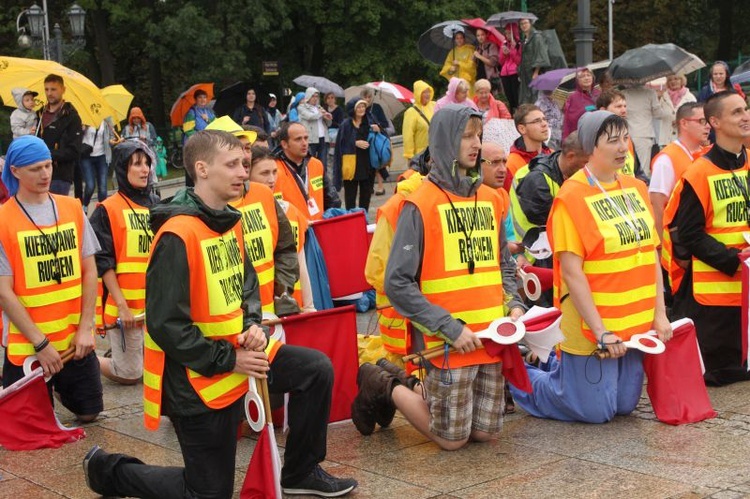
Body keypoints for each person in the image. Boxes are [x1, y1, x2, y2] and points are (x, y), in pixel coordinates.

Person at [82, 130, 357, 498]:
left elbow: (246, 288)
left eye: (244, 164)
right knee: (207, 493)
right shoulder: (177, 236)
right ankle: (110, 472)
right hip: (197, 381)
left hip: (236, 358)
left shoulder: (230, 219)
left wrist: (253, 325)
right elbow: (166, 326)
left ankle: (301, 471)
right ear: (202, 169)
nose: (243, 172)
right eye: (233, 165)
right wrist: (232, 359)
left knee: (315, 370)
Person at [352, 104, 525, 449]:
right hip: (446, 340)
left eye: (478, 135)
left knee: (485, 433)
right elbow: (396, 283)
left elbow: (504, 264)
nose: (475, 144)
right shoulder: (419, 204)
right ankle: (386, 384)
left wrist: (515, 304)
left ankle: (416, 389)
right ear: (446, 141)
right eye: (466, 136)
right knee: (451, 440)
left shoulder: (492, 199)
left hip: (490, 337)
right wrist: (449, 327)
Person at [509, 111, 672, 423]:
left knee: (623, 405)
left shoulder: (636, 188)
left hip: (633, 321)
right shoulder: (571, 196)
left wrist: (660, 314)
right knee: (595, 411)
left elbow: (651, 254)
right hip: (591, 325)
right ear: (590, 147)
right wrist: (601, 332)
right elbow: (572, 272)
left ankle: (552, 365)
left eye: (625, 138)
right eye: (613, 141)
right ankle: (515, 373)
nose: (623, 147)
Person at [0, 135, 102, 422]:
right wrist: (41, 344)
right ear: (15, 171)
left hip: (73, 340)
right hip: (28, 346)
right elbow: (4, 292)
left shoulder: (72, 208)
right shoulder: (3, 220)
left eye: (48, 165)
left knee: (90, 413)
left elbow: (90, 271)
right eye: (35, 169)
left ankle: (60, 388)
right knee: (30, 426)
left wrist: (86, 329)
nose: (45, 174)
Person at [668, 91, 750, 386]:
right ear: (715, 122)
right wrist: (733, 259)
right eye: (736, 112)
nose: (746, 116)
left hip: (746, 289)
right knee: (719, 375)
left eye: (746, 109)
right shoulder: (699, 172)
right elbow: (689, 234)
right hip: (714, 296)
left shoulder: (748, 161)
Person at [89, 141, 159, 385]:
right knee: (130, 375)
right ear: (122, 168)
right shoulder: (106, 210)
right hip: (126, 308)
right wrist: (122, 306)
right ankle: (88, 361)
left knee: (160, 367)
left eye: (147, 163)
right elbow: (103, 263)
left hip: (156, 306)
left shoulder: (157, 205)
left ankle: (126, 352)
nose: (145, 170)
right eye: (137, 164)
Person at [248, 145, 316, 313]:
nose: (271, 179)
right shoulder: (240, 214)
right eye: (264, 173)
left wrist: (309, 306)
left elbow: (301, 263)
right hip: (262, 311)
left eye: (274, 172)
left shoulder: (290, 211)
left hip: (294, 306)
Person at [510, 132, 588, 270]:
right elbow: (558, 223)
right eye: (586, 163)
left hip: (553, 247)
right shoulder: (537, 180)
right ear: (570, 157)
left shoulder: (563, 167)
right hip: (536, 253)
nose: (589, 169)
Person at [650, 102, 710, 246]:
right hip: (680, 242)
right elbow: (657, 204)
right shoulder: (667, 159)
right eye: (702, 121)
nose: (708, 126)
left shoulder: (706, 153)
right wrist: (660, 246)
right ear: (684, 123)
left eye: (708, 121)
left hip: (702, 238)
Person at [274, 122, 341, 221]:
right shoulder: (273, 169)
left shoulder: (316, 164)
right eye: (298, 139)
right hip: (293, 232)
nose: (304, 143)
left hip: (318, 228)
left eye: (306, 138)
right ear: (284, 144)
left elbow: (331, 199)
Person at [36, 74, 83, 196]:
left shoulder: (72, 117)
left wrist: (48, 154)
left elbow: (74, 151)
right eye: (46, 89)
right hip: (37, 172)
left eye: (53, 89)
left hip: (60, 175)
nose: (49, 93)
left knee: (56, 213)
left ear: (63, 90)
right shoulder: (39, 114)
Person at [333, 99, 376, 211]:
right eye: (359, 107)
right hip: (350, 165)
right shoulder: (346, 124)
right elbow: (340, 145)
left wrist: (378, 130)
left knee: (366, 195)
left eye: (363, 107)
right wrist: (355, 143)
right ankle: (351, 220)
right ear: (353, 109)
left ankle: (364, 219)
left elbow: (381, 138)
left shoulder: (370, 121)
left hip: (367, 164)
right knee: (350, 196)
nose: (362, 109)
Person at [621, 84, 668, 175]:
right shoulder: (650, 93)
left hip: (627, 135)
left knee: (628, 166)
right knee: (643, 169)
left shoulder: (622, 94)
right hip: (644, 134)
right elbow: (658, 114)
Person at [505, 104, 552, 191]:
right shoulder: (511, 164)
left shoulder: (552, 154)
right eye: (537, 121)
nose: (544, 124)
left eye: (544, 119)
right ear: (522, 129)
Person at [596, 89, 641, 178]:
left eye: (625, 106)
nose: (624, 110)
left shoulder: (628, 138)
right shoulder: (595, 139)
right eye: (618, 106)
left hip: (628, 189)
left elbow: (638, 170)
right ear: (603, 110)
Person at [655, 74, 697, 147]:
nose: (673, 81)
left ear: (682, 81)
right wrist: (657, 99)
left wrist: (680, 120)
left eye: (676, 79)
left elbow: (695, 116)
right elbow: (657, 115)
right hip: (666, 139)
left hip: (684, 139)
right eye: (670, 80)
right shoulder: (663, 96)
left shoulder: (690, 97)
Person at [80, 121, 113, 211]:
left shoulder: (107, 120)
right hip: (87, 156)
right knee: (90, 186)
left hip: (102, 156)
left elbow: (111, 136)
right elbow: (77, 135)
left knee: (103, 187)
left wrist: (111, 140)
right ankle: (85, 205)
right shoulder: (85, 118)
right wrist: (82, 129)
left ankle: (102, 210)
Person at [298, 87, 333, 169]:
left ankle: (324, 180)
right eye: (313, 96)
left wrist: (328, 117)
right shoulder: (302, 107)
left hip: (323, 138)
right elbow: (310, 117)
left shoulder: (319, 107)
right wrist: (321, 113)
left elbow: (329, 124)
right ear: (308, 96)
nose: (315, 98)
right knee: (310, 162)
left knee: (323, 163)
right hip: (311, 139)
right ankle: (310, 180)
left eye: (317, 96)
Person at [518, 18, 549, 105]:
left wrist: (536, 72)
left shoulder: (537, 37)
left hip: (534, 72)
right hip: (526, 72)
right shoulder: (525, 39)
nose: (524, 25)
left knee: (535, 95)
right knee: (527, 95)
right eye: (521, 24)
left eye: (525, 23)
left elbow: (540, 54)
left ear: (530, 23)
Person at [562, 68, 599, 140]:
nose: (586, 78)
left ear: (593, 77)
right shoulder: (573, 97)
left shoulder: (598, 94)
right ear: (577, 80)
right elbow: (569, 120)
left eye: (588, 75)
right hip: (581, 135)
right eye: (582, 76)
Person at [402, 80, 435, 162]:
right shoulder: (411, 112)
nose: (427, 94)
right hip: (421, 156)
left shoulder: (435, 105)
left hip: (436, 152)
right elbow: (408, 136)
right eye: (424, 92)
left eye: (428, 92)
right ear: (418, 94)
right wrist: (409, 156)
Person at [439, 30, 477, 95]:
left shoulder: (470, 51)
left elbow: (472, 68)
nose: (459, 40)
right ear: (454, 40)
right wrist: (451, 69)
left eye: (461, 38)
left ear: (464, 39)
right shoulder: (452, 52)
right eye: (457, 38)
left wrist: (459, 63)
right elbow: (446, 68)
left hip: (467, 83)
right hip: (455, 83)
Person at [499, 23, 522, 112]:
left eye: (509, 33)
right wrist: (504, 54)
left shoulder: (519, 44)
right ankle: (512, 113)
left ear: (514, 33)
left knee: (516, 95)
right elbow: (501, 61)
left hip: (515, 73)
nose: (507, 35)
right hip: (505, 73)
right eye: (506, 33)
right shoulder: (504, 43)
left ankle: (518, 112)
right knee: (509, 96)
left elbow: (518, 61)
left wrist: (512, 51)